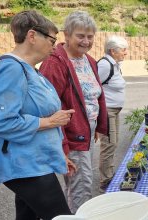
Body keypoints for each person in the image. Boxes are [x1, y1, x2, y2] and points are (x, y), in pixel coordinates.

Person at [0, 10, 74, 220]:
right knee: (62, 217)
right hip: (25, 164)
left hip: (34, 161)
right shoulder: (10, 69)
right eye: (52, 39)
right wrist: (50, 121)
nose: (54, 45)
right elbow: (0, 122)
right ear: (32, 36)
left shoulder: (29, 69)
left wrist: (58, 154)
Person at [39, 11, 108, 213]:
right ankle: (80, 216)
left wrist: (95, 125)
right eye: (80, 36)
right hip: (70, 134)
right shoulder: (55, 63)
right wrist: (62, 145)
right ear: (66, 35)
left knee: (84, 180)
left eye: (90, 36)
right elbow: (48, 108)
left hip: (85, 130)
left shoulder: (90, 61)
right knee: (81, 186)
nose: (86, 41)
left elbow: (94, 96)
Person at [97, 35, 129, 191]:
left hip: (114, 111)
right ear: (113, 50)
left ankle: (108, 174)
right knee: (108, 144)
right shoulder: (104, 65)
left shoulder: (114, 64)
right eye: (123, 50)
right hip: (107, 111)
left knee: (113, 143)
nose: (126, 53)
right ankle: (105, 180)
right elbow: (93, 88)